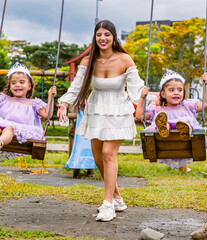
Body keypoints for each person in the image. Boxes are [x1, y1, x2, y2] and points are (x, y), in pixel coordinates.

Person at [57, 20, 147, 222]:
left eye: (107, 34)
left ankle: (108, 205)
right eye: (99, 34)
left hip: (118, 111)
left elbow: (136, 87)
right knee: (98, 160)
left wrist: (148, 96)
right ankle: (117, 198)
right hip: (96, 110)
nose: (103, 38)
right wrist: (63, 102)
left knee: (108, 154)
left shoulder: (125, 59)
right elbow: (76, 87)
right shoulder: (88, 61)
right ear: (95, 37)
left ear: (114, 37)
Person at [0, 62, 57, 154]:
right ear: (10, 87)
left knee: (9, 129)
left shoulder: (33, 103)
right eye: (13, 83)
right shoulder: (4, 99)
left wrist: (51, 97)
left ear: (29, 86)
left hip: (17, 130)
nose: (17, 85)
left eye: (21, 82)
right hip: (0, 126)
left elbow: (47, 114)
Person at [135, 70, 207, 169]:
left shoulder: (187, 106)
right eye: (171, 90)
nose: (176, 93)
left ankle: (184, 128)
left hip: (186, 142)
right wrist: (142, 98)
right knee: (161, 120)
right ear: (163, 94)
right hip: (164, 141)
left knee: (185, 121)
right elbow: (139, 116)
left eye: (180, 90)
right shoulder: (158, 110)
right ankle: (164, 127)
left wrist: (206, 85)